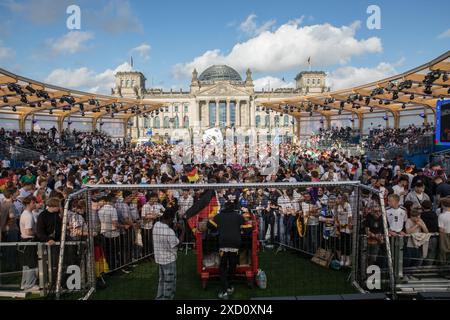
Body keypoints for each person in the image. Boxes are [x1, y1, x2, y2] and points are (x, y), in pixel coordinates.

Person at [208, 200, 245, 300]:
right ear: (233, 208)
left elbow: (209, 225)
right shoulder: (239, 216)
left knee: (223, 267)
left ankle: (224, 290)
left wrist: (217, 228)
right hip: (235, 244)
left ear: (224, 207)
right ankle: (229, 286)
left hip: (223, 244)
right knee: (233, 265)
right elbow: (248, 228)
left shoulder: (219, 216)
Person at [152, 208, 185, 300]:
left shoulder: (156, 225)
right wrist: (182, 230)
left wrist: (172, 229)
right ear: (170, 218)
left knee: (162, 281)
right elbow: (178, 244)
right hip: (169, 260)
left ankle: (159, 298)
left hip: (160, 259)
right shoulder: (169, 232)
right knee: (169, 283)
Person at [19, 196, 38, 290]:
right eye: (34, 202)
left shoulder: (27, 213)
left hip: (25, 241)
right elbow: (28, 231)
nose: (35, 204)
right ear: (30, 202)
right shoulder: (28, 215)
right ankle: (29, 284)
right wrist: (37, 233)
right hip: (29, 241)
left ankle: (25, 283)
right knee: (31, 263)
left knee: (27, 264)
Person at [438, 197, 450, 264]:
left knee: (443, 252)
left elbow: (441, 229)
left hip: (445, 234)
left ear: (443, 205)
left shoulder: (442, 216)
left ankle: (443, 269)